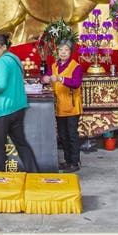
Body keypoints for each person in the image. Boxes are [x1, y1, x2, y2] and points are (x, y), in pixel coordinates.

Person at [0, 33, 39, 172]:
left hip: (3, 109)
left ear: (3, 47)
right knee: (21, 143)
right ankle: (34, 173)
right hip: (17, 107)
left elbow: (1, 84)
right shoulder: (14, 59)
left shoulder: (2, 61)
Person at [43, 40, 83, 171]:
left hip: (72, 107)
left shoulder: (75, 66)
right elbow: (45, 77)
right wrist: (45, 79)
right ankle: (67, 161)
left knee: (72, 135)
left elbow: (76, 83)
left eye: (66, 50)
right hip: (59, 107)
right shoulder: (54, 66)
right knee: (63, 136)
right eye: (60, 50)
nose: (63, 53)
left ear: (70, 52)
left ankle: (75, 163)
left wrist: (60, 79)